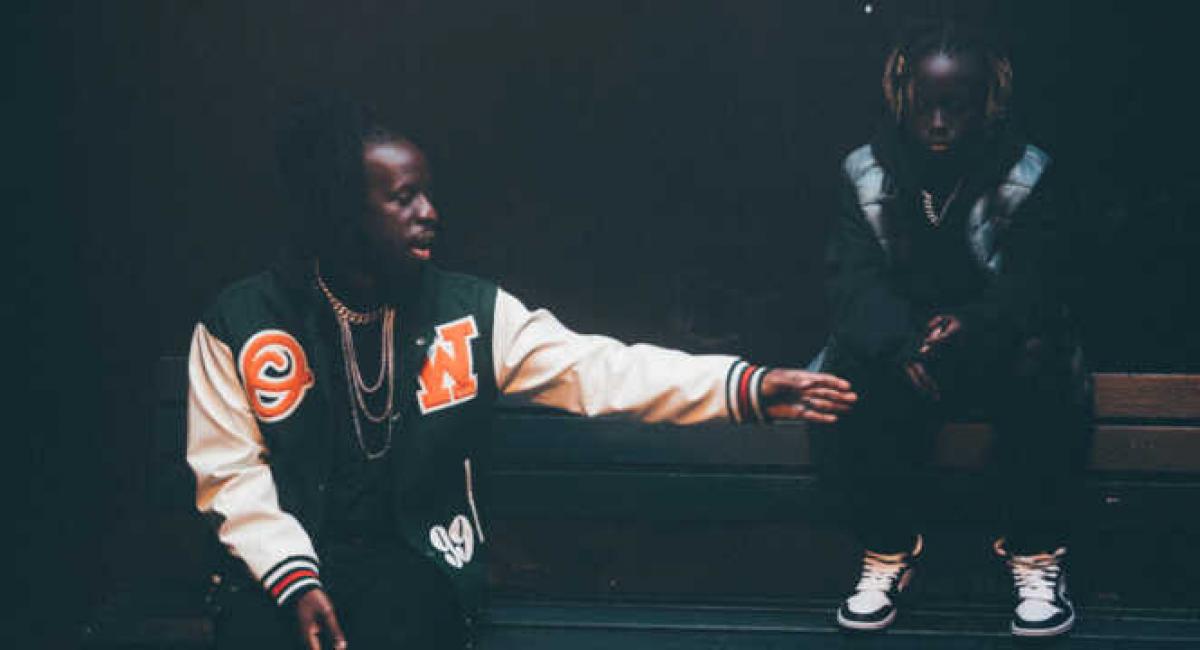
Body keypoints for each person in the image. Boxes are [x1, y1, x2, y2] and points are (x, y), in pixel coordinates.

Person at [186, 97, 857, 649]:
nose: (430, 213)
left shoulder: (470, 312)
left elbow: (601, 370)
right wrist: (295, 580)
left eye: (427, 194)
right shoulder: (242, 322)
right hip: (280, 564)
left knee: (403, 623)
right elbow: (230, 473)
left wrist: (747, 387)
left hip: (411, 564)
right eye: (404, 198)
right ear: (344, 213)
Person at [816, 21, 1089, 637]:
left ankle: (1034, 554)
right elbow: (851, 282)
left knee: (1043, 360)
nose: (938, 123)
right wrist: (901, 341)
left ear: (987, 105)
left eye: (956, 106)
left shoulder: (1028, 172)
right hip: (905, 356)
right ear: (902, 100)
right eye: (925, 106)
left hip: (996, 352)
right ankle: (887, 551)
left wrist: (977, 324)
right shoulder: (865, 171)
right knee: (851, 371)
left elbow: (1041, 282)